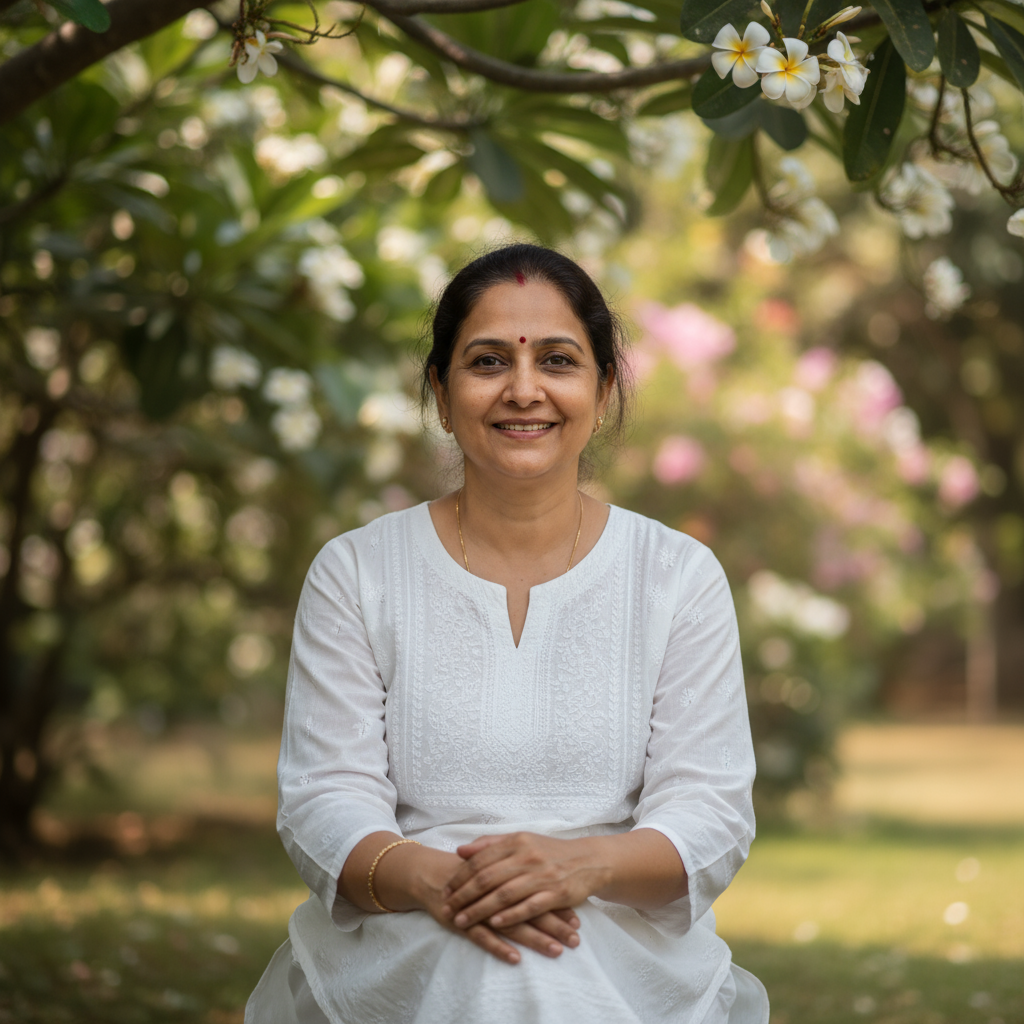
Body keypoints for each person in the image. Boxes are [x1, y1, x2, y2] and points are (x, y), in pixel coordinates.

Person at [245, 243, 768, 1024]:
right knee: (484, 970)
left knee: (541, 973)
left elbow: (710, 810)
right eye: (488, 361)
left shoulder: (676, 575)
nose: (524, 391)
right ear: (441, 391)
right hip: (408, 932)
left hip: (613, 937)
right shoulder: (357, 572)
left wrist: (579, 868)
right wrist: (441, 883)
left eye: (557, 360)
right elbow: (325, 797)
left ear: (603, 386)